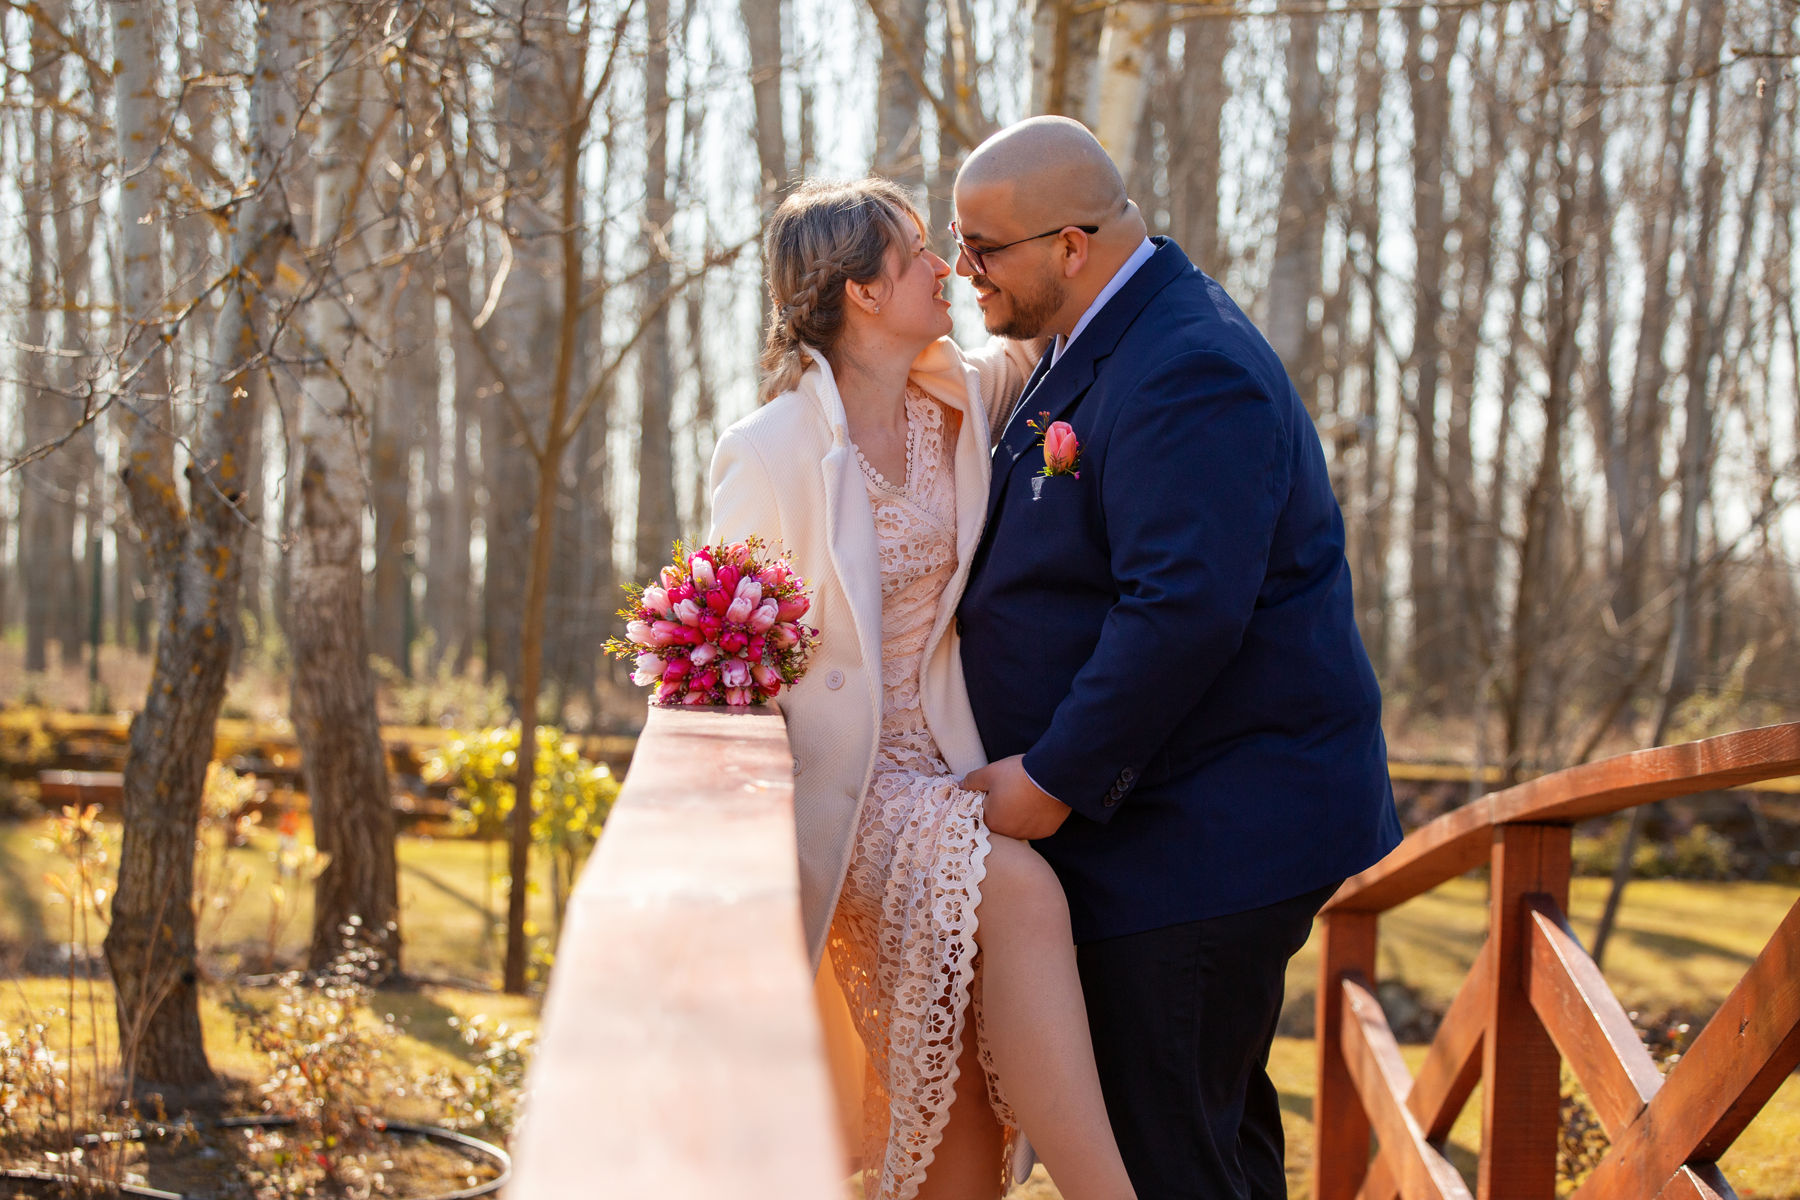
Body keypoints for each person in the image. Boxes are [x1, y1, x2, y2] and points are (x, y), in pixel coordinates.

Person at [954, 116, 1403, 1199]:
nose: (963, 269)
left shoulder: (1189, 364)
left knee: (1167, 1159)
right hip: (1167, 830)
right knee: (1209, 1145)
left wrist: (1052, 779)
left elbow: (1183, 609)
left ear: (1072, 245)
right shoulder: (1097, 337)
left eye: (983, 247)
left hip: (1202, 841)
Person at [707, 178, 1138, 1200]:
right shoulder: (767, 451)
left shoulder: (964, 400)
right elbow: (724, 664)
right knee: (1021, 891)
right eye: (917, 254)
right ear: (862, 291)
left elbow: (1064, 328)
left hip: (955, 767)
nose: (946, 267)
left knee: (956, 1106)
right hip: (854, 792)